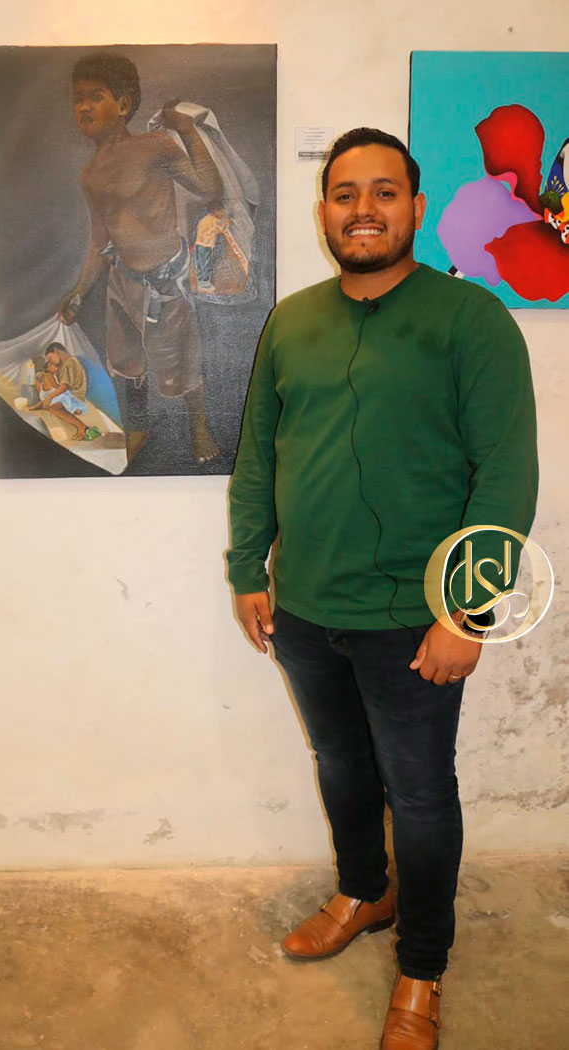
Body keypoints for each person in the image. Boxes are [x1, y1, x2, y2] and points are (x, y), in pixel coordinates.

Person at [226, 128, 538, 1050]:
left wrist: (468, 612)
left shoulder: (471, 319)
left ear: (416, 207)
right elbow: (257, 457)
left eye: (384, 192)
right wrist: (248, 568)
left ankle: (423, 967)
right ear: (324, 212)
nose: (363, 209)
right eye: (345, 193)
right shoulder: (291, 322)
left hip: (416, 618)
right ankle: (365, 892)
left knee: (422, 794)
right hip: (304, 609)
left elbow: (505, 475)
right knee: (340, 767)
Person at [58, 52, 223, 465]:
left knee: (180, 358)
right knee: (127, 360)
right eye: (78, 99)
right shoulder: (90, 173)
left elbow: (209, 188)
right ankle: (139, 427)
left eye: (96, 96)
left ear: (125, 104)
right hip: (123, 281)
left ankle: (198, 426)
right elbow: (99, 239)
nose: (84, 107)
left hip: (165, 281)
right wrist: (79, 292)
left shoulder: (155, 147)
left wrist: (186, 130)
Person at [27, 342, 100, 441]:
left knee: (54, 408)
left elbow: (64, 386)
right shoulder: (69, 363)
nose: (50, 361)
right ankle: (40, 404)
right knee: (50, 403)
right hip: (70, 395)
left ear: (56, 351)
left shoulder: (70, 363)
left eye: (50, 358)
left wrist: (49, 397)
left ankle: (82, 427)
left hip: (74, 396)